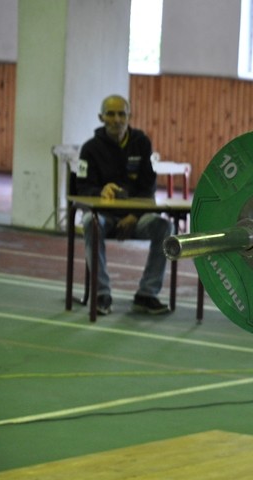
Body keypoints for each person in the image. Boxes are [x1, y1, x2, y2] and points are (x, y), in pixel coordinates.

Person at [76, 95, 173, 315]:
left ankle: (146, 294)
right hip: (104, 217)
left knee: (165, 227)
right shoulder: (89, 149)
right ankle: (102, 294)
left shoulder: (141, 143)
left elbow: (148, 187)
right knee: (90, 222)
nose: (117, 119)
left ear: (129, 116)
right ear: (101, 117)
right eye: (111, 114)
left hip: (135, 218)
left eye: (122, 113)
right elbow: (82, 188)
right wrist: (100, 192)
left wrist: (134, 215)